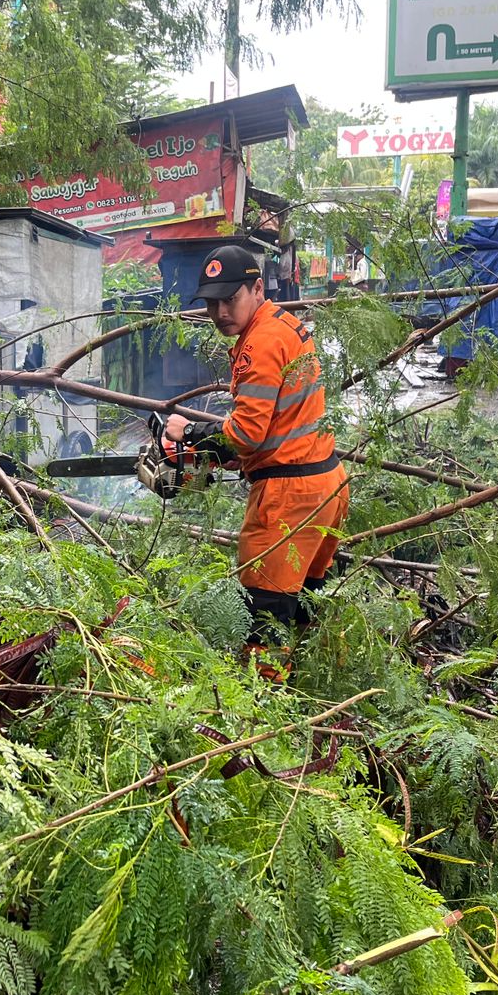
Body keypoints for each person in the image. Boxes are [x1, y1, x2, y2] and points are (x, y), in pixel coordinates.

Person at [162, 245, 349, 678]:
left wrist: (187, 435)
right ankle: (306, 695)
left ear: (257, 288)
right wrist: (229, 455)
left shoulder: (258, 344)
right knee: (302, 606)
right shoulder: (286, 325)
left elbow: (246, 432)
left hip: (288, 498)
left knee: (263, 618)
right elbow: (276, 422)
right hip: (326, 483)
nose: (220, 311)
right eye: (212, 302)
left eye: (230, 299)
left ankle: (260, 716)